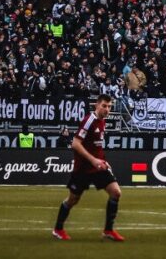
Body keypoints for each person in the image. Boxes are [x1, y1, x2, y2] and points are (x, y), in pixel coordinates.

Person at [53, 94, 123, 242]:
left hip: (97, 166)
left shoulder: (102, 121)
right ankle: (58, 229)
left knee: (116, 192)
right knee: (73, 200)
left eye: (109, 106)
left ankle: (108, 230)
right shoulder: (89, 120)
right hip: (83, 168)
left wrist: (103, 161)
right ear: (97, 105)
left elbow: (96, 147)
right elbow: (75, 144)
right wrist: (93, 160)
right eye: (104, 106)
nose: (107, 109)